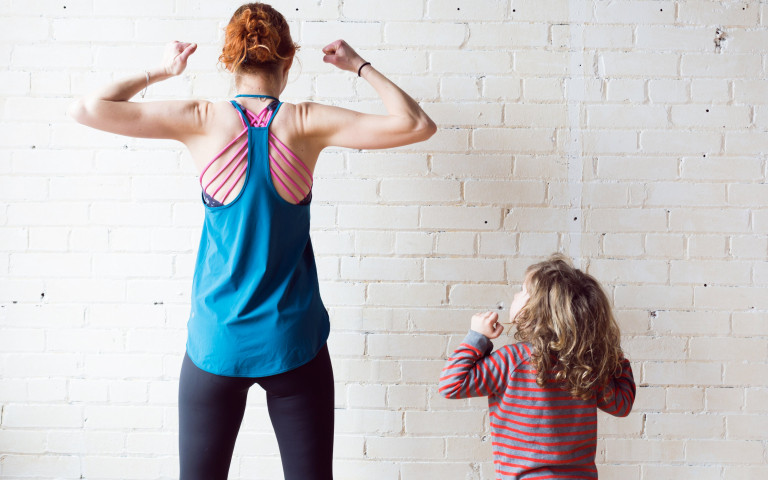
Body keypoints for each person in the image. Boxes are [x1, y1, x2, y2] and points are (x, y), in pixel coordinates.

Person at [69, 3, 436, 479]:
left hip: (217, 342)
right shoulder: (306, 122)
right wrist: (358, 65)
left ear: (228, 62)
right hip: (294, 343)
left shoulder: (200, 117)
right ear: (287, 62)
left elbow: (86, 107)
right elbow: (417, 124)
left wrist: (162, 69)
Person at [439, 254, 636, 479]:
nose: (515, 294)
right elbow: (622, 405)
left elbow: (451, 385)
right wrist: (611, 351)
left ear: (539, 309)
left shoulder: (512, 360)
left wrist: (477, 337)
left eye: (523, 291)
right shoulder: (585, 366)